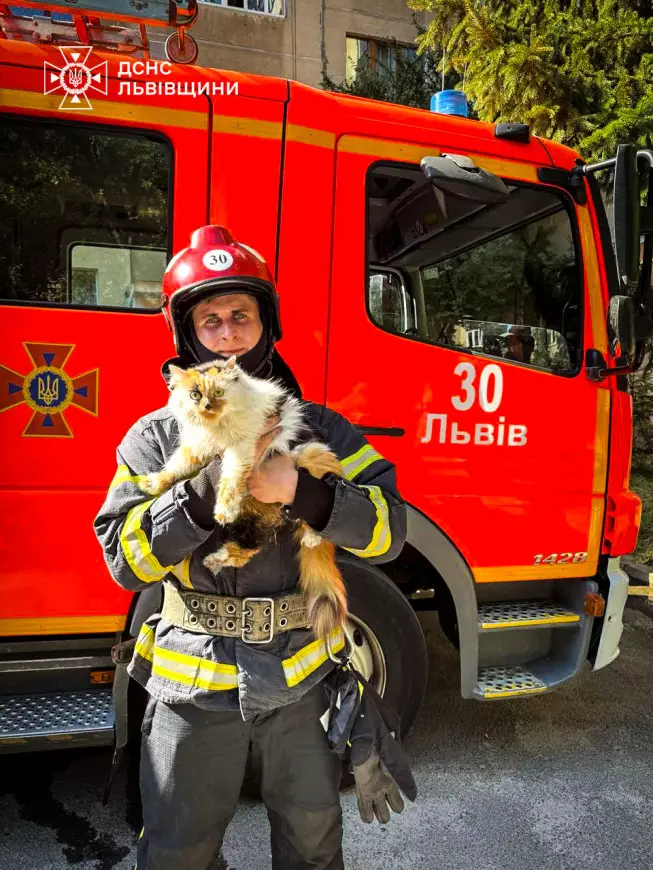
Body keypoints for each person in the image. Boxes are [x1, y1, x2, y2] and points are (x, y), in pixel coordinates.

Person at [94, 225, 407, 870]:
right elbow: (125, 561)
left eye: (242, 315)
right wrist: (208, 489)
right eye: (210, 321)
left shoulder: (322, 428)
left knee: (313, 850)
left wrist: (302, 491)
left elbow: (388, 532)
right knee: (177, 855)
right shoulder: (153, 439)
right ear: (188, 337)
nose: (229, 334)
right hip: (191, 688)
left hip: (301, 683)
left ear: (267, 326)